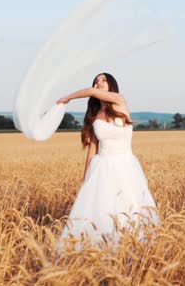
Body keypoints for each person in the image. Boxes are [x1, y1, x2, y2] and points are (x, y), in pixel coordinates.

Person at [55, 72, 158, 249]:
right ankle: (99, 249)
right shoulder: (95, 115)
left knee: (128, 209)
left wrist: (67, 98)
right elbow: (92, 149)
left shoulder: (119, 100)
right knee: (100, 211)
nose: (99, 82)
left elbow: (89, 91)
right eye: (96, 81)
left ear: (112, 85)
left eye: (103, 80)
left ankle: (131, 248)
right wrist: (86, 178)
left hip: (124, 165)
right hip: (101, 167)